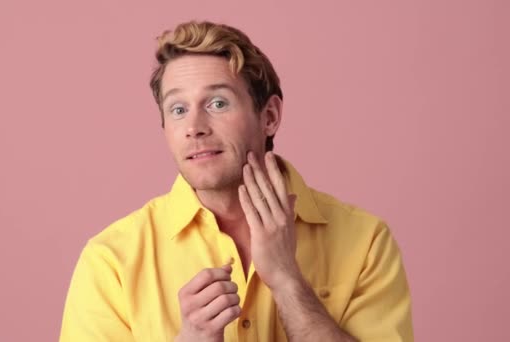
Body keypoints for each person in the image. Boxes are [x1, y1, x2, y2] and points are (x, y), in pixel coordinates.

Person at [60, 21, 413, 342]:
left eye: (217, 103)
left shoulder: (366, 242)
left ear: (269, 117)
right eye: (178, 109)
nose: (194, 127)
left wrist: (289, 282)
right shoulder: (110, 261)